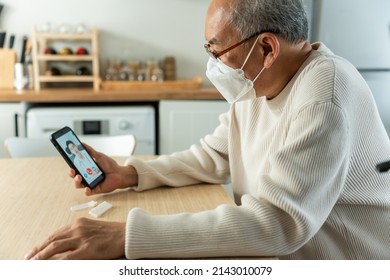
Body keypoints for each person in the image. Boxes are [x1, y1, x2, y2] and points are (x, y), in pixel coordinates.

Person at [25, 0, 390, 260]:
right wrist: (129, 173)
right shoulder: (260, 82)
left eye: (217, 50)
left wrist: (126, 235)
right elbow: (214, 155)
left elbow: (276, 224)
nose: (212, 63)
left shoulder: (323, 95)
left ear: (266, 48)